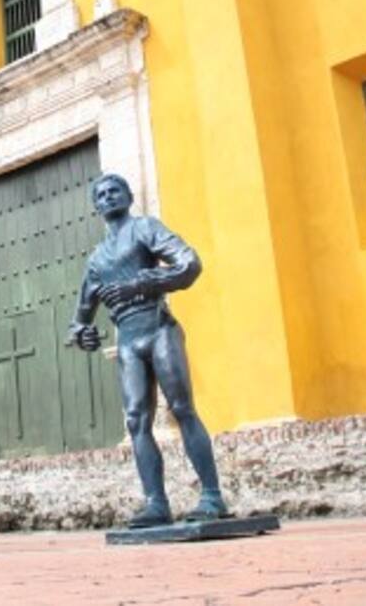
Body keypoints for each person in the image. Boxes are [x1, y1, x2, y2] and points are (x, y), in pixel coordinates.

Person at [68, 173, 230, 528]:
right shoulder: (96, 260)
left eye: (115, 191)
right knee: (136, 420)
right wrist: (85, 334)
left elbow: (189, 264)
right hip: (127, 340)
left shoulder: (146, 229)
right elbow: (79, 320)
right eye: (102, 194)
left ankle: (212, 496)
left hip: (159, 328)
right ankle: (156, 502)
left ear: (128, 196)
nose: (109, 197)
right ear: (95, 206)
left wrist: (144, 281)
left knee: (183, 408)